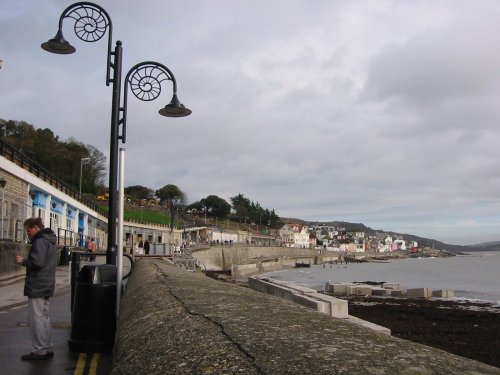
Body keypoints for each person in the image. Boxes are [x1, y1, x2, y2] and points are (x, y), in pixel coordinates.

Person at [14, 217, 57, 361]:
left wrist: (23, 261)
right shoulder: (50, 240)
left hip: (37, 284)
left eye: (29, 230)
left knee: (36, 318)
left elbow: (37, 262)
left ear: (37, 227)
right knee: (44, 317)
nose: (28, 233)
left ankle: (39, 349)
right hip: (47, 283)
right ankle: (47, 346)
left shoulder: (39, 241)